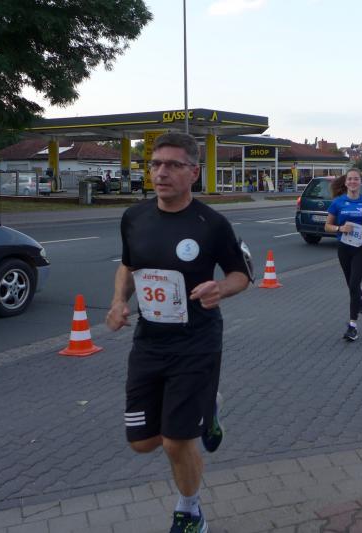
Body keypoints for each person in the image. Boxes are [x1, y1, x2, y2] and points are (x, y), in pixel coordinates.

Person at [105, 132, 253, 533]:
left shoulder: (212, 224)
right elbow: (129, 266)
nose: (161, 173)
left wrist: (220, 288)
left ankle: (190, 511)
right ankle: (209, 408)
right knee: (141, 442)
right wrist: (118, 301)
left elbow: (241, 274)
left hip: (196, 342)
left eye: (173, 165)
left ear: (193, 172)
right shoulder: (134, 218)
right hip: (149, 342)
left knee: (176, 440)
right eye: (155, 164)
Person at [324, 168, 362, 340]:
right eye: (350, 179)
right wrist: (340, 228)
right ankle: (361, 295)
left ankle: (352, 326)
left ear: (361, 182)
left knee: (354, 283)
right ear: (345, 182)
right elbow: (327, 226)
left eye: (356, 179)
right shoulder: (338, 203)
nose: (352, 182)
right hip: (344, 248)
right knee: (352, 287)